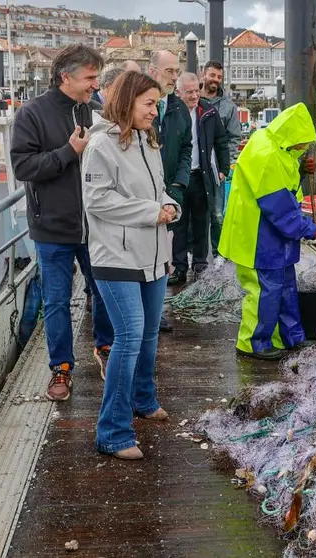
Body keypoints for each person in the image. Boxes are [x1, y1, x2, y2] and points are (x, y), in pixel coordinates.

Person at [82, 71, 180, 460]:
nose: (155, 111)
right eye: (149, 104)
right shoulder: (100, 146)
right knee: (129, 336)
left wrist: (171, 207)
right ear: (127, 102)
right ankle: (113, 431)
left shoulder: (147, 141)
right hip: (115, 257)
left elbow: (157, 192)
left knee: (150, 334)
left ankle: (143, 399)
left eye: (156, 104)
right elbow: (97, 201)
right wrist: (153, 212)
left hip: (153, 255)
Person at [11, 43, 114, 401]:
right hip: (52, 227)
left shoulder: (97, 111)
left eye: (97, 78)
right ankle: (62, 368)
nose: (95, 85)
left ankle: (105, 349)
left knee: (103, 291)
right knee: (56, 301)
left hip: (95, 224)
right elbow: (23, 167)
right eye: (89, 78)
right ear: (65, 77)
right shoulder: (32, 114)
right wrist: (69, 152)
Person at [218, 103, 316, 361]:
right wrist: (309, 229)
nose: (304, 149)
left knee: (285, 287)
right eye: (303, 144)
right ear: (293, 136)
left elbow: (285, 187)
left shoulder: (276, 144)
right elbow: (280, 209)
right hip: (256, 236)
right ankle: (254, 342)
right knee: (264, 291)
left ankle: (290, 337)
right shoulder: (266, 156)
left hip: (273, 236)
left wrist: (299, 169)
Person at [169, 72, 230, 284]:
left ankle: (200, 263)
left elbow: (221, 141)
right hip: (178, 177)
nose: (195, 96)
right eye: (189, 92)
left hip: (201, 174)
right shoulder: (172, 112)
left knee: (201, 220)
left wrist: (224, 169)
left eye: (197, 90)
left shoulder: (209, 111)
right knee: (179, 223)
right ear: (179, 92)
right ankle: (179, 267)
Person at [149, 49, 193, 332]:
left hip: (171, 193)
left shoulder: (179, 108)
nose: (174, 77)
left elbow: (187, 148)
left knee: (164, 256)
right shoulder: (140, 104)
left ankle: (157, 311)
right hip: (144, 194)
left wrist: (179, 184)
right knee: (145, 257)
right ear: (153, 71)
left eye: (177, 71)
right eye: (169, 71)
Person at [200, 60, 243, 259]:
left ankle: (218, 253)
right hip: (193, 166)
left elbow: (234, 137)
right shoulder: (192, 99)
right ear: (203, 74)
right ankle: (194, 255)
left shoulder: (228, 106)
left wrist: (225, 164)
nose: (215, 80)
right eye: (212, 75)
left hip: (216, 167)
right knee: (193, 213)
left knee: (217, 214)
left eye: (219, 77)